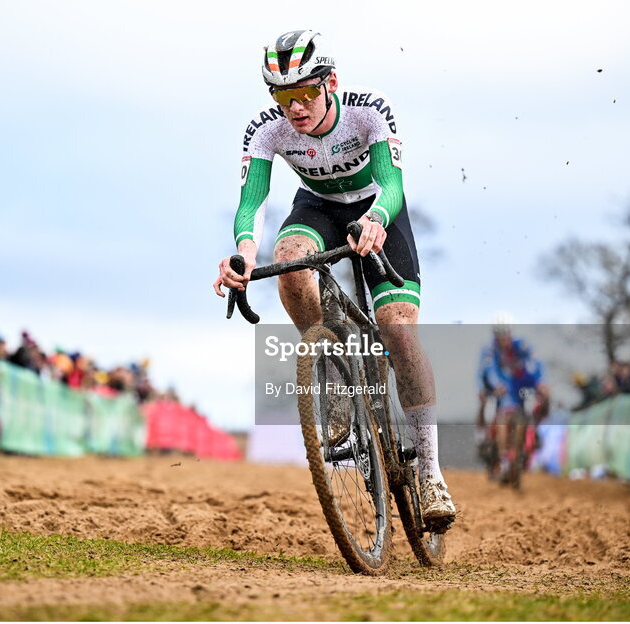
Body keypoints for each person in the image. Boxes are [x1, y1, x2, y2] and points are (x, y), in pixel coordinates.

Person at [212, 30, 454, 524]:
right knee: (289, 257)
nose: (294, 108)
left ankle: (430, 473)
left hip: (378, 209)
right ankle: (332, 366)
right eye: (282, 96)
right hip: (318, 207)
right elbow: (252, 203)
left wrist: (377, 220)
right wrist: (241, 254)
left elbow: (392, 185)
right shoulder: (268, 130)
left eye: (304, 93)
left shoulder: (368, 112)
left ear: (331, 82)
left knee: (398, 331)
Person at [482, 313, 550, 480]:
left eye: (505, 334)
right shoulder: (491, 350)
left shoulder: (522, 346)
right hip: (505, 391)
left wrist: (541, 382)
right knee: (501, 417)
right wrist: (495, 385)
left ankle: (537, 430)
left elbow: (536, 365)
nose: (502, 339)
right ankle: (500, 454)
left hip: (524, 387)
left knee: (546, 397)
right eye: (499, 335)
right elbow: (489, 371)